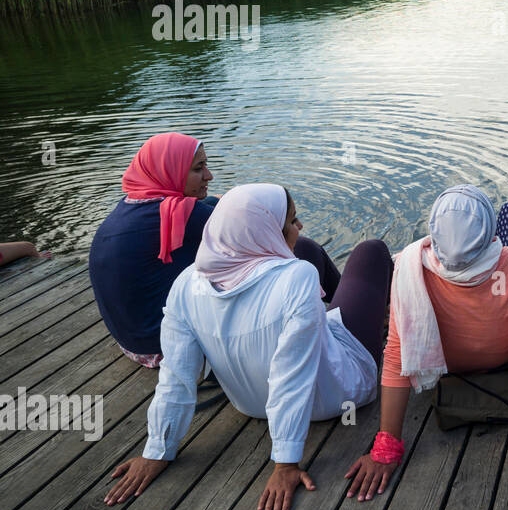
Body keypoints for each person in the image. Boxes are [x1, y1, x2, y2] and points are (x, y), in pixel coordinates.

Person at [105, 184, 392, 510]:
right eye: (292, 221)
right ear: (268, 230)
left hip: (250, 404)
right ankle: (379, 323)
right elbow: (292, 376)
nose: (299, 227)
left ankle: (343, 311)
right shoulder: (298, 277)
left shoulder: (186, 282)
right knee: (371, 251)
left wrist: (158, 450)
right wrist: (285, 462)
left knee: (308, 248)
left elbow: (176, 375)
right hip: (336, 394)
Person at [345, 185, 508, 500]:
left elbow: (396, 356)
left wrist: (385, 448)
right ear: (489, 234)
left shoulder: (410, 267)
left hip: (445, 365)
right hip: (507, 356)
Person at [88, 132, 339, 368]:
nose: (209, 175)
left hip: (133, 344)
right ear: (171, 172)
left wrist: (215, 201)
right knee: (305, 248)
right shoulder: (185, 215)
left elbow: (215, 209)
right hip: (171, 349)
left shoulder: (134, 204)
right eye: (198, 169)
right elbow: (258, 228)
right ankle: (342, 316)